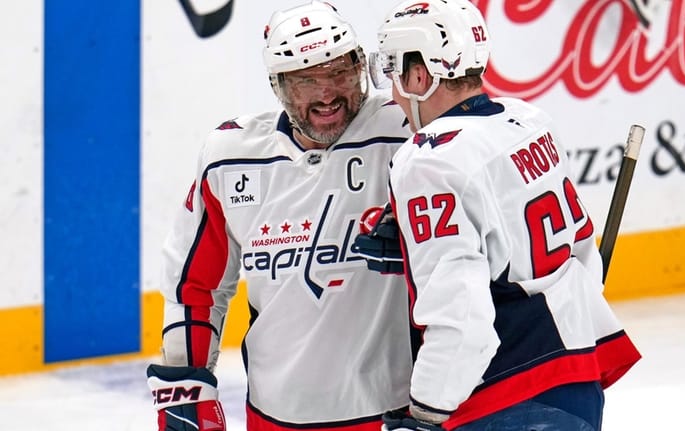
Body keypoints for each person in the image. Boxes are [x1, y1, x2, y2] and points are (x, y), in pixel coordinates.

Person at [359, 1, 642, 430]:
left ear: (420, 76)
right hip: (576, 382)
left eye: (397, 74)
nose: (395, 93)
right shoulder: (528, 120)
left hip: (503, 398)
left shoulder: (428, 159)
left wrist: (425, 412)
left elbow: (463, 314)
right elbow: (581, 261)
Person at [145, 2, 415, 431]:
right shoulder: (230, 158)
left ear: (361, 67)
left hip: (392, 412)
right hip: (273, 415)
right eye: (306, 79)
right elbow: (195, 284)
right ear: (278, 85)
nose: (327, 93)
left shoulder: (406, 133)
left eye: (338, 72)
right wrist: (186, 387)